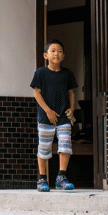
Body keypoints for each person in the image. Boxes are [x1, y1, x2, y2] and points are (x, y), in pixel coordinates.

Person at [31, 38, 78, 192]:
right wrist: (48, 111)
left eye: (59, 51)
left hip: (64, 116)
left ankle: (61, 177)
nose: (56, 54)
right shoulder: (41, 72)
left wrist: (71, 109)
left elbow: (71, 92)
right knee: (44, 147)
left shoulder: (67, 73)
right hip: (45, 117)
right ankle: (42, 179)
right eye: (52, 51)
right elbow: (36, 93)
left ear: (63, 55)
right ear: (46, 55)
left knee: (65, 145)